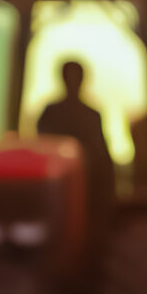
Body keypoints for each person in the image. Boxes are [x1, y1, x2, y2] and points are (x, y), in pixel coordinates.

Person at [35, 59, 115, 221]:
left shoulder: (92, 115)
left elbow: (102, 157)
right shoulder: (50, 113)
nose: (72, 82)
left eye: (76, 77)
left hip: (89, 191)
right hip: (56, 191)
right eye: (69, 76)